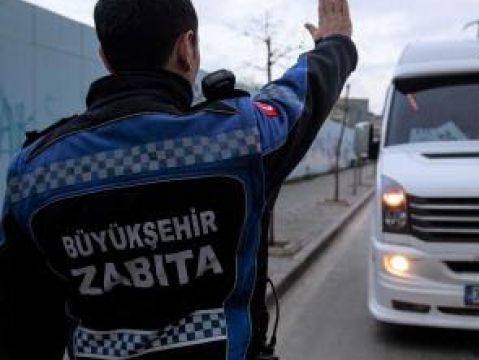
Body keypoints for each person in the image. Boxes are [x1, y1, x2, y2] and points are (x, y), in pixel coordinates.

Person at [0, 0, 356, 358]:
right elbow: (298, 96)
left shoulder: (33, 173)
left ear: (106, 57)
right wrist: (335, 44)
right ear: (187, 48)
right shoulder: (239, 140)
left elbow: (24, 328)